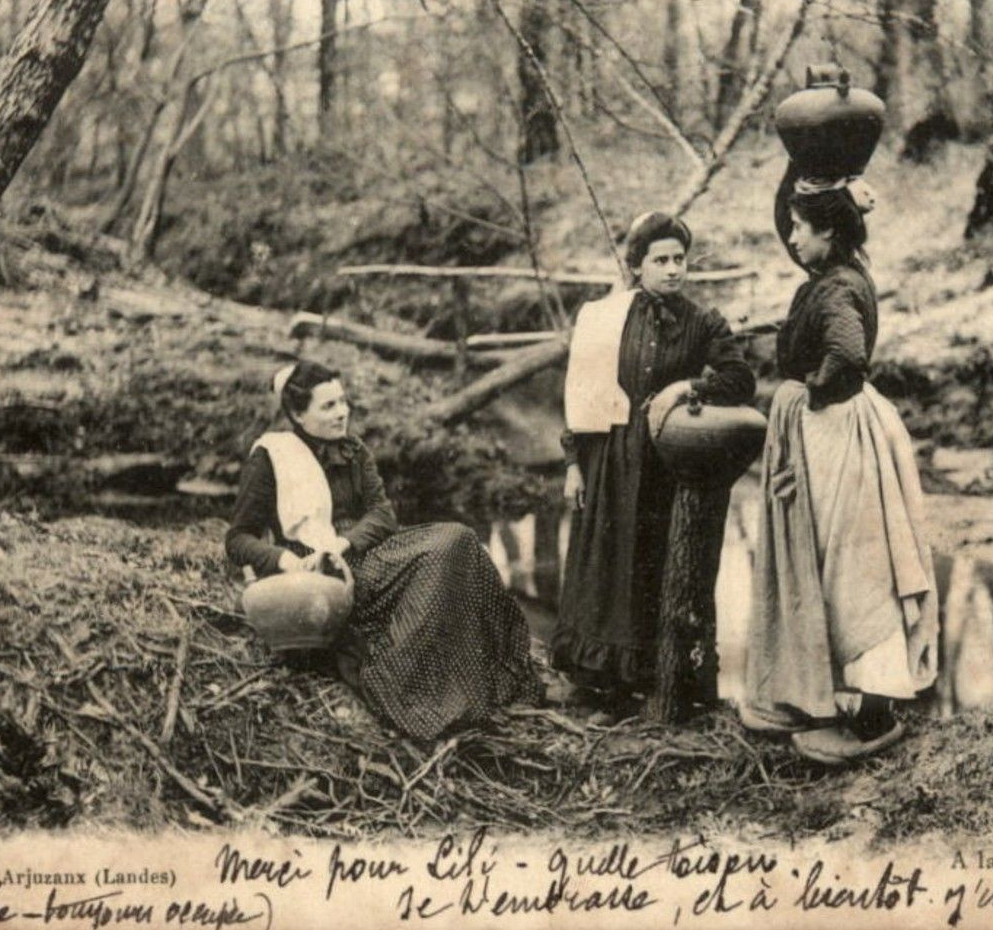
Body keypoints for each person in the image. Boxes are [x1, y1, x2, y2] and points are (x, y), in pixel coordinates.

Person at [226, 360, 541, 740]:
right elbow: (238, 539)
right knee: (447, 547)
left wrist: (345, 542)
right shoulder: (272, 457)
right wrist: (284, 559)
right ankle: (400, 683)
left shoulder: (352, 450)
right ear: (297, 413)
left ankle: (471, 679)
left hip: (362, 553)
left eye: (343, 401)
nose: (342, 412)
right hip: (319, 574)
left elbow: (382, 513)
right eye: (328, 406)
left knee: (460, 542)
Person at [743, 173, 939, 764]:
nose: (793, 238)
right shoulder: (836, 271)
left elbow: (849, 354)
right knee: (836, 562)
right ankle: (828, 696)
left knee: (856, 571)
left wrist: (812, 393)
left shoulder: (836, 290)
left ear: (828, 230)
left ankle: (875, 715)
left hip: (840, 434)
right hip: (835, 428)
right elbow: (792, 225)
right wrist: (796, 171)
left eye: (802, 228)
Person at [555, 212, 755, 706]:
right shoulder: (607, 317)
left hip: (661, 465)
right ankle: (596, 684)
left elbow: (739, 379)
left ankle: (645, 683)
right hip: (606, 460)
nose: (672, 269)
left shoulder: (701, 321)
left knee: (647, 568)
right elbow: (580, 393)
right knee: (601, 564)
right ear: (637, 267)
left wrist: (687, 386)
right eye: (660, 260)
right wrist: (572, 464)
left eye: (679, 259)